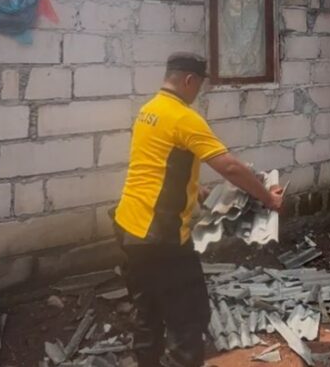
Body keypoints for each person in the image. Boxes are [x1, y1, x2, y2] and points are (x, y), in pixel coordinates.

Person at [113, 53, 284, 367]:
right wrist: (268, 198)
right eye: (199, 86)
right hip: (161, 237)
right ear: (189, 80)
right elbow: (230, 167)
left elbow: (156, 165)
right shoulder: (183, 116)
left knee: (147, 312)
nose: (198, 93)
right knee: (189, 318)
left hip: (128, 226)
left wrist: (196, 190)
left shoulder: (149, 110)